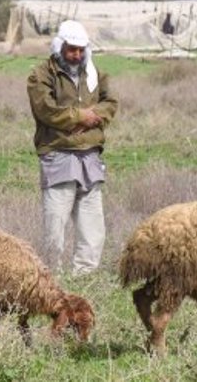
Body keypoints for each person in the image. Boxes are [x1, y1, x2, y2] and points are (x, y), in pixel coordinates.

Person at [26, 20, 118, 274]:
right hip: (58, 155)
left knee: (92, 228)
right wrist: (80, 117)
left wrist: (92, 116)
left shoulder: (94, 73)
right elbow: (46, 110)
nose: (76, 55)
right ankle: (50, 282)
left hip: (90, 156)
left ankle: (84, 281)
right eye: (71, 49)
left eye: (80, 50)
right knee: (55, 226)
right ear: (60, 47)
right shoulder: (41, 75)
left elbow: (110, 102)